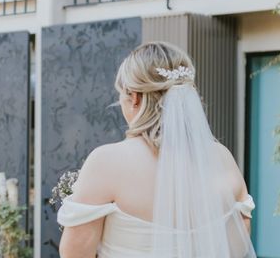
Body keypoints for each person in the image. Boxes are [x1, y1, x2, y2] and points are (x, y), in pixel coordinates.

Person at [57, 42, 256, 258]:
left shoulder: (105, 162)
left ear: (133, 97)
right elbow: (238, 247)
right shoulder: (222, 158)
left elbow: (74, 254)